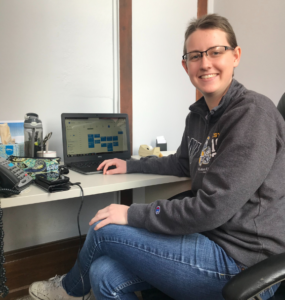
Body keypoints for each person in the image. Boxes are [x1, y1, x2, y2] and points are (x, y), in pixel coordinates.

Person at [29, 14, 285, 300]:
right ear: (185, 64)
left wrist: (132, 213)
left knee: (105, 227)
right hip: (208, 238)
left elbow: (211, 209)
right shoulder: (199, 115)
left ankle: (67, 292)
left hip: (242, 261)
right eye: (195, 55)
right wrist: (129, 164)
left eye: (216, 52)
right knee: (102, 273)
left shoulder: (252, 115)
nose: (205, 63)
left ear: (235, 56)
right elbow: (181, 162)